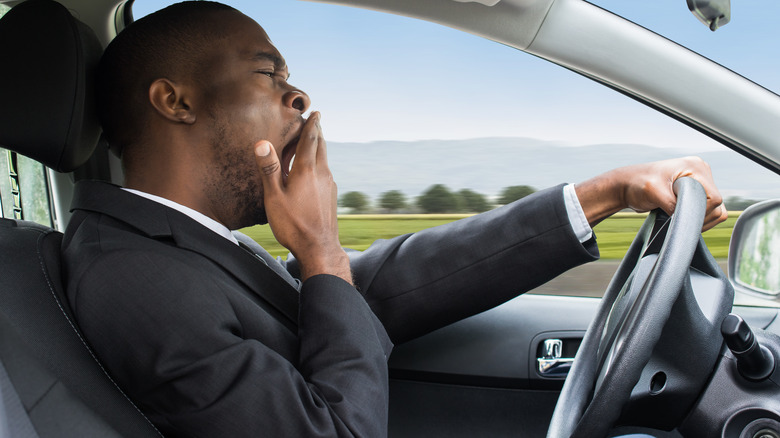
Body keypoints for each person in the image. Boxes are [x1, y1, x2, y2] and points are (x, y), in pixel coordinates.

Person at [61, 2, 728, 437]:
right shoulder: (136, 279)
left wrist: (604, 193)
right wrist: (321, 248)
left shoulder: (184, 247)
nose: (299, 95)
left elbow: (360, 294)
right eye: (268, 75)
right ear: (174, 101)